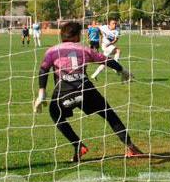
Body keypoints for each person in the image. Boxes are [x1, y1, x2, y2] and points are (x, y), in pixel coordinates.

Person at [34, 22, 146, 162]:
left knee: (55, 113)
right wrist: (123, 70)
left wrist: (41, 93)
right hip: (86, 90)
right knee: (109, 114)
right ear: (76, 36)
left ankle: (78, 145)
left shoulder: (52, 51)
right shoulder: (84, 49)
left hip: (64, 92)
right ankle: (130, 146)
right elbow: (107, 61)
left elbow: (43, 70)